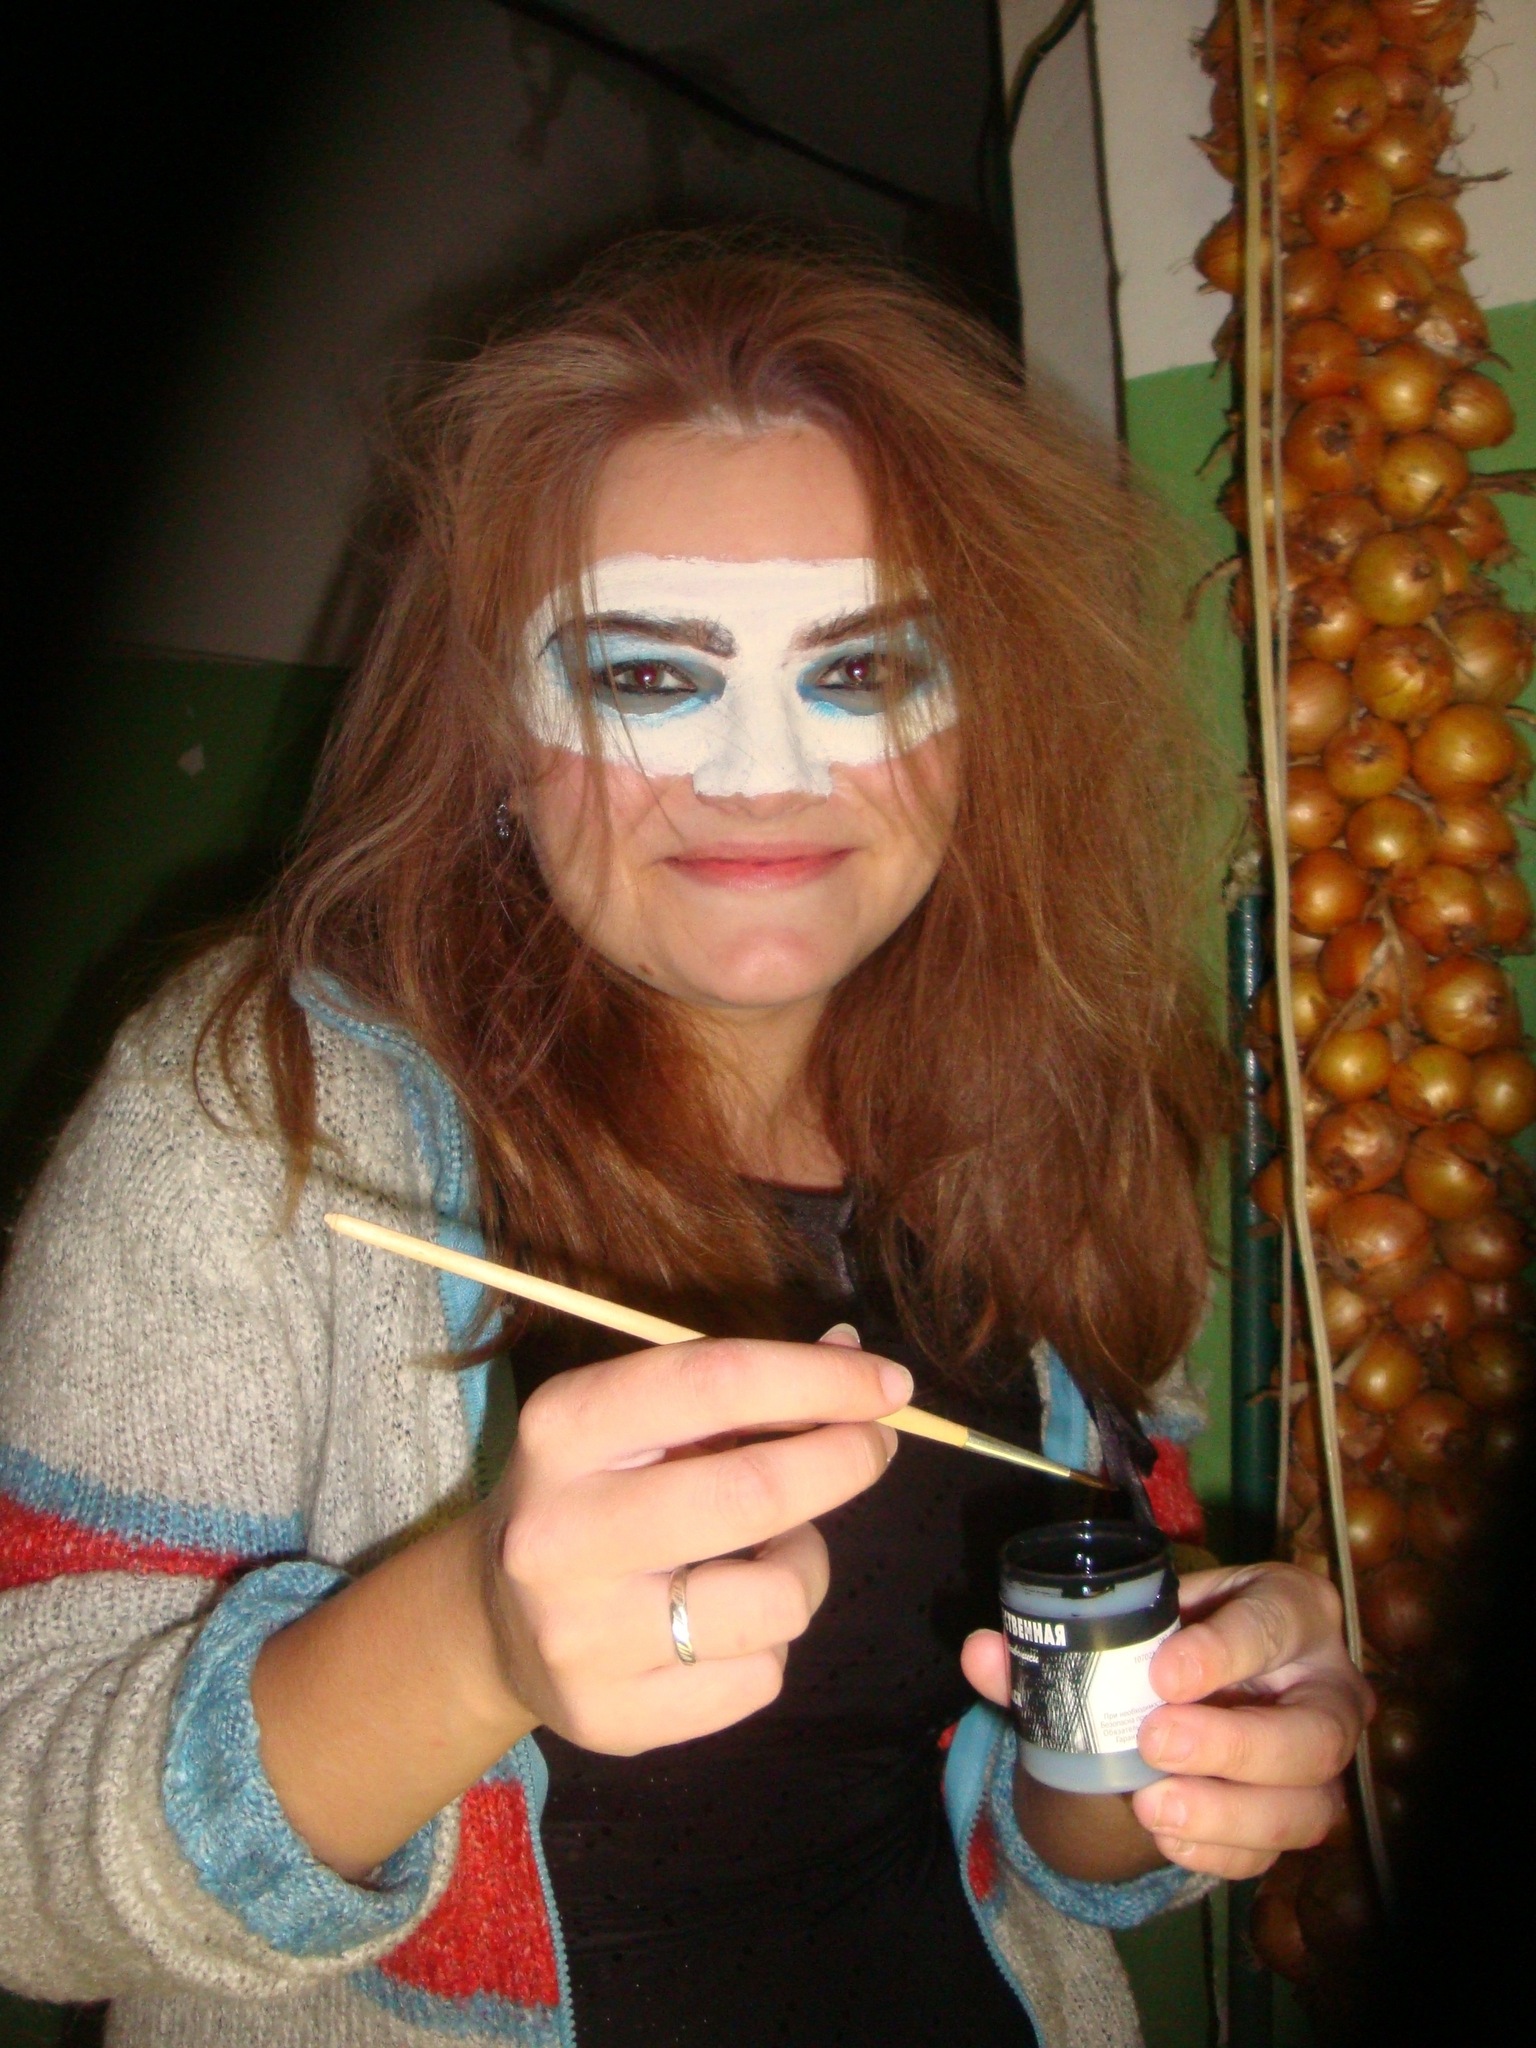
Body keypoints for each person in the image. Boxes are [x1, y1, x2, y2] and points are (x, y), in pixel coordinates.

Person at [0, 236, 1366, 2048]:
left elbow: (1058, 1837)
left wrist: (1179, 1742)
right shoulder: (260, 1113)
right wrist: (467, 1641)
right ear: (495, 735)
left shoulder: (1051, 1119)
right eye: (648, 679)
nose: (763, 774)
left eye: (865, 668)